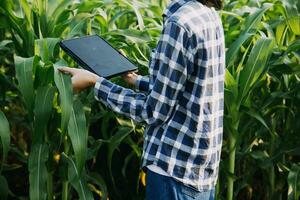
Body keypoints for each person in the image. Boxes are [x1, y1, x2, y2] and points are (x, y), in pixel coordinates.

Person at [59, 0, 225, 199]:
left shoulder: (180, 24)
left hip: (172, 172)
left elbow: (153, 112)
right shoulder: (207, 14)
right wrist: (135, 80)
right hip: (199, 170)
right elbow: (186, 90)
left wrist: (96, 83)